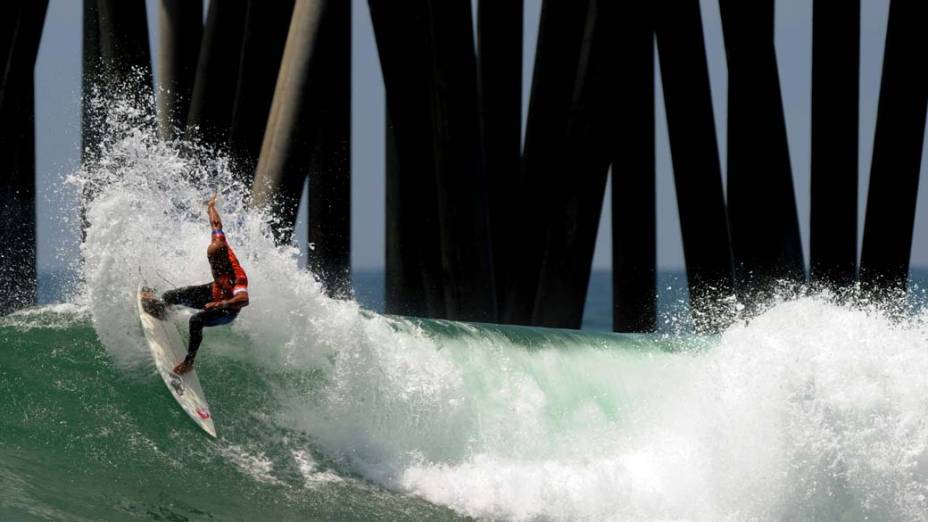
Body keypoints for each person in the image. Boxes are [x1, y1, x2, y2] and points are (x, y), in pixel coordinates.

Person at [157, 195, 250, 375]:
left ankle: (188, 362)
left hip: (227, 310)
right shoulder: (218, 242)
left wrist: (221, 304)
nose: (212, 265)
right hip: (213, 292)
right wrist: (210, 207)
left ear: (224, 260)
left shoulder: (238, 276)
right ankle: (164, 309)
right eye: (210, 260)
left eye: (215, 262)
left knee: (196, 320)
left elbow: (243, 299)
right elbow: (216, 224)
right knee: (170, 296)